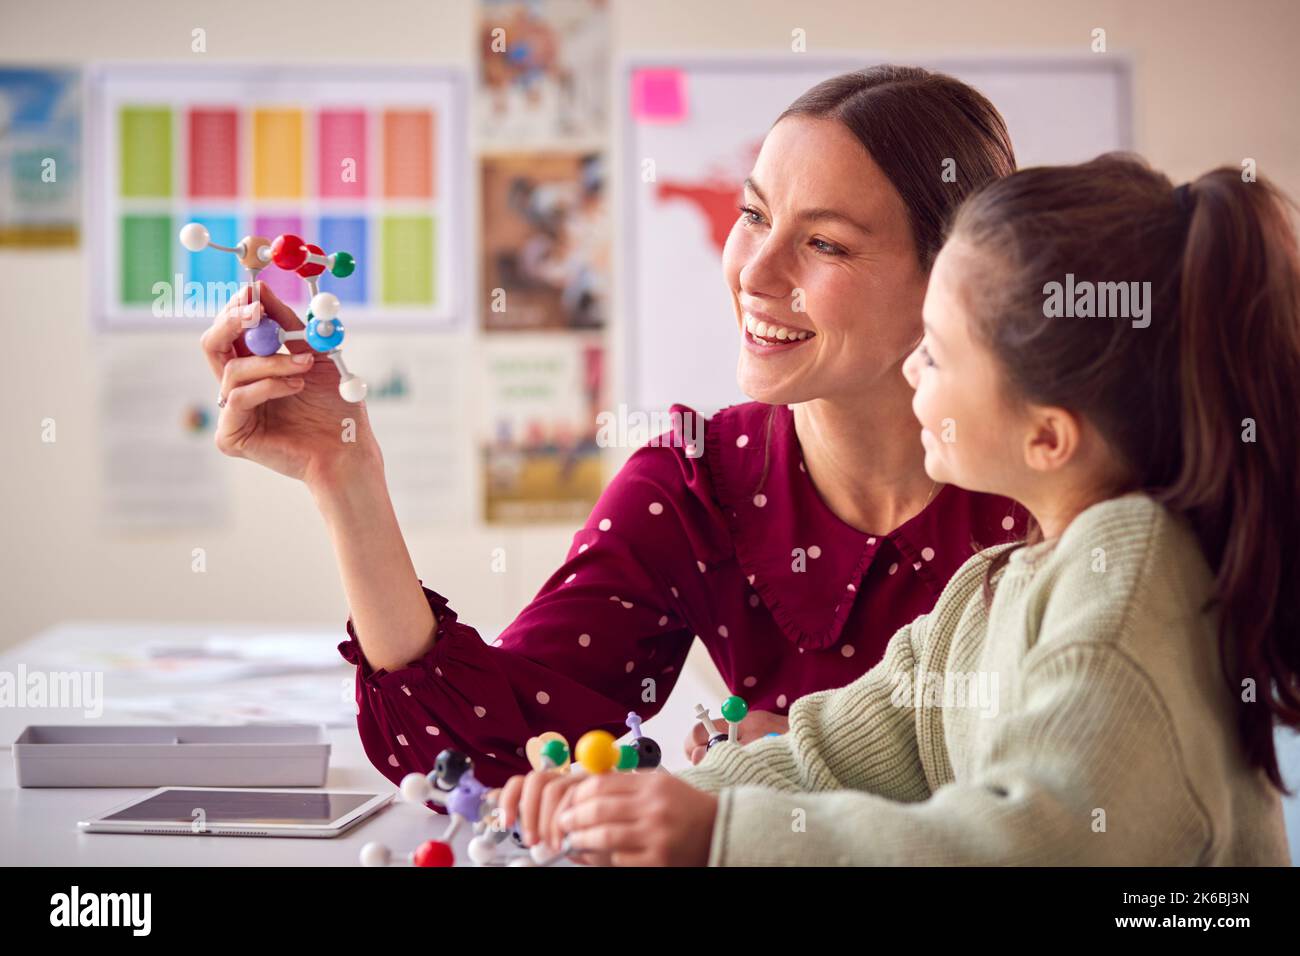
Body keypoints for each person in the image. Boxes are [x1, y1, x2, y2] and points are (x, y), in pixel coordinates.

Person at [198, 66, 1023, 789]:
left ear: (949, 281)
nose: (756, 272)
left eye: (826, 244)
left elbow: (1092, 786)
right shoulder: (699, 480)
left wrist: (814, 765)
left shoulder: (1055, 487)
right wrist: (346, 475)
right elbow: (485, 752)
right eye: (753, 214)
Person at [502, 155, 1300, 866]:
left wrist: (717, 838)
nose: (912, 368)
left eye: (940, 351)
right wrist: (656, 802)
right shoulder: (994, 587)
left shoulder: (1126, 589)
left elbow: (1029, 845)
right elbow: (838, 751)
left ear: (1047, 437)